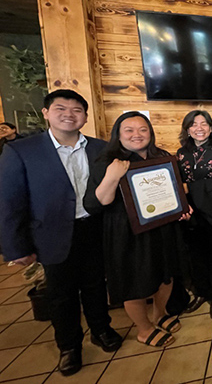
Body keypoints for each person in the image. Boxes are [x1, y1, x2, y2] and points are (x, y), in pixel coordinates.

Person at [0, 90, 122, 377]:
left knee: (95, 284)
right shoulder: (22, 150)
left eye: (77, 109)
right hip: (51, 234)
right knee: (60, 294)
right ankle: (69, 346)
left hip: (93, 227)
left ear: (85, 116)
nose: (69, 114)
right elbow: (9, 203)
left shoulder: (100, 148)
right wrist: (16, 248)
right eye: (61, 108)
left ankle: (101, 329)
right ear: (46, 113)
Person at [84, 111, 191, 348]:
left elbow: (175, 191)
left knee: (166, 274)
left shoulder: (161, 157)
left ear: (150, 133)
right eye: (129, 130)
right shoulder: (109, 162)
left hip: (163, 228)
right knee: (134, 282)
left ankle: (159, 314)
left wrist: (182, 207)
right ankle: (143, 329)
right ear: (118, 135)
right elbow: (94, 203)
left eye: (143, 129)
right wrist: (112, 177)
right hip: (128, 233)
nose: (137, 135)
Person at [176, 110, 212, 318]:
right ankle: (201, 292)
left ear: (210, 128)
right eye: (194, 124)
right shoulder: (181, 153)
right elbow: (177, 184)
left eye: (204, 124)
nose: (199, 128)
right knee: (195, 256)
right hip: (190, 214)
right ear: (188, 129)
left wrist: (190, 186)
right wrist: (189, 190)